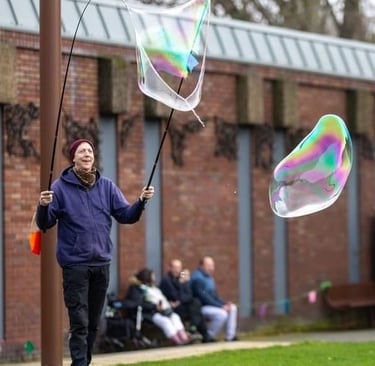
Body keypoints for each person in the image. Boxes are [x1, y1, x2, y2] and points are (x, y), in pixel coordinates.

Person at [36, 138, 154, 366]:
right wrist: (43, 205)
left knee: (92, 323)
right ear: (73, 158)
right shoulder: (59, 188)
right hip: (75, 265)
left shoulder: (107, 186)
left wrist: (141, 201)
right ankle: (80, 364)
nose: (87, 154)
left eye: (90, 151)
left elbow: (126, 215)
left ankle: (82, 363)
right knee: (79, 321)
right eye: (82, 151)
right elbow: (45, 223)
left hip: (101, 264)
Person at [124, 268, 195, 345]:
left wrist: (168, 304)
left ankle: (184, 337)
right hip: (150, 313)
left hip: (164, 311)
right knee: (165, 321)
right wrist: (154, 306)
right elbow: (138, 303)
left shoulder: (154, 288)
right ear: (147, 277)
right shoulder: (137, 289)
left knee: (175, 317)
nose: (154, 277)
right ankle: (177, 341)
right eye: (152, 276)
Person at [159, 259, 214, 343]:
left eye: (179, 268)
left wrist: (180, 300)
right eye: (175, 267)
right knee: (197, 312)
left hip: (183, 304)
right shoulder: (166, 280)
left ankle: (195, 329)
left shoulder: (182, 275)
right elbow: (174, 295)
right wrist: (181, 284)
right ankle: (202, 335)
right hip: (174, 308)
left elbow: (189, 294)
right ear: (170, 268)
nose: (177, 270)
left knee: (196, 302)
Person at [190, 256, 238, 342]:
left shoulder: (209, 278)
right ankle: (208, 335)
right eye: (209, 266)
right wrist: (221, 306)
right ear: (201, 266)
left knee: (233, 308)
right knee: (222, 314)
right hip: (201, 307)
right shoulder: (197, 278)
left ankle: (230, 336)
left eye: (212, 266)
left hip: (212, 306)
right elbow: (204, 297)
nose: (212, 268)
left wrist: (225, 303)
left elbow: (214, 296)